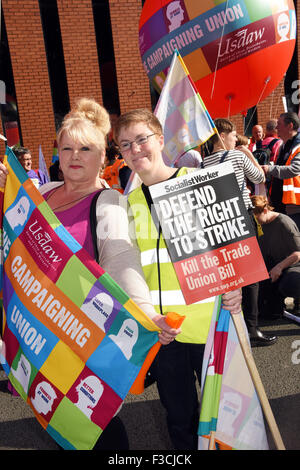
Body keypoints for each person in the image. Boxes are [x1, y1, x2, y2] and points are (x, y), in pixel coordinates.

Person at [0, 98, 179, 450]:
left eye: (85, 148)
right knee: (55, 418)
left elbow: (122, 259)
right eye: (66, 148)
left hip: (81, 330)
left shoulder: (108, 201)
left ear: (102, 156)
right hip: (37, 326)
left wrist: (146, 313)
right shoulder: (45, 193)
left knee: (92, 422)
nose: (74, 156)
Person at [114, 108, 242, 450]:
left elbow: (234, 246)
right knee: (180, 419)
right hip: (164, 332)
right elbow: (128, 270)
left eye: (142, 139)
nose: (135, 149)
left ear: (159, 139)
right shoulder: (126, 205)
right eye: (125, 145)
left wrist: (235, 286)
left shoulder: (201, 181)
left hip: (213, 324)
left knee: (229, 419)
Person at [202, 118, 277, 346]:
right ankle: (252, 330)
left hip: (219, 223)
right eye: (234, 135)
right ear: (222, 136)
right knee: (251, 275)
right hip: (242, 218)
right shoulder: (236, 155)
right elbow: (259, 177)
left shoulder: (203, 163)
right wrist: (249, 154)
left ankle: (233, 327)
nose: (236, 140)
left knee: (229, 277)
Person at [251, 195, 300, 318]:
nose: (257, 222)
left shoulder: (284, 222)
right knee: (265, 310)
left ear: (266, 211)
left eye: (257, 218)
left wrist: (279, 267)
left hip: (291, 266)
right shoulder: (256, 224)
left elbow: (298, 254)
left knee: (290, 284)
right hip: (270, 265)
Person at [262, 112, 300, 231]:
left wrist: (270, 168)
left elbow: (295, 169)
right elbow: (282, 167)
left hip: (295, 207)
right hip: (283, 203)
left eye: (279, 124)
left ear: (290, 125)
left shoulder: (297, 146)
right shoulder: (283, 146)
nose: (276, 127)